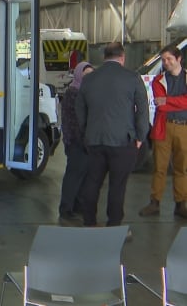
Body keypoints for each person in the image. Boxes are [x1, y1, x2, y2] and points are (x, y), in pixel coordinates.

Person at [76, 42, 149, 229]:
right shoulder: (132, 78)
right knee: (118, 186)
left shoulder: (89, 79)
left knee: (92, 182)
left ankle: (89, 222)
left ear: (104, 57)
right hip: (122, 141)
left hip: (94, 140)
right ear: (122, 57)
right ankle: (114, 225)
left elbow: (80, 109)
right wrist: (140, 136)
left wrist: (86, 132)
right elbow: (142, 110)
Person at [139, 44, 187, 218]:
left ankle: (181, 204)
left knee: (182, 168)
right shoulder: (158, 81)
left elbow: (165, 103)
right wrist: (178, 101)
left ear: (179, 58)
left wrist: (168, 101)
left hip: (184, 128)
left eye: (169, 59)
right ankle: (154, 203)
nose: (166, 63)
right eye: (164, 59)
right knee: (159, 167)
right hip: (163, 127)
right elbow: (160, 105)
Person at [58, 61, 94, 225]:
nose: (88, 78)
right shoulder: (73, 93)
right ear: (79, 75)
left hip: (86, 142)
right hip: (76, 142)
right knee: (74, 176)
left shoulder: (88, 93)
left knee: (84, 176)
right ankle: (66, 209)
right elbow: (74, 123)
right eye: (86, 75)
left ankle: (78, 206)